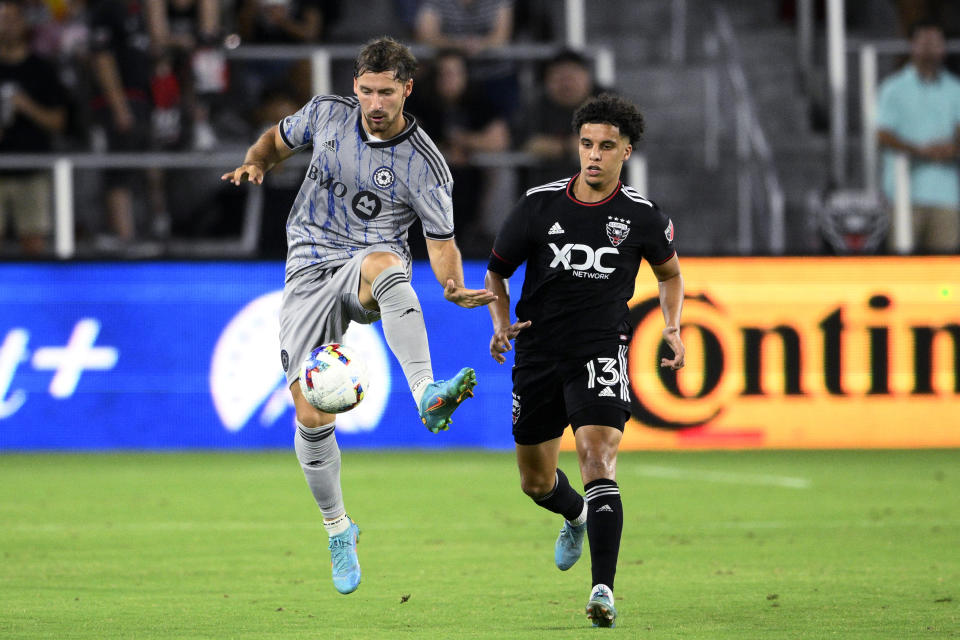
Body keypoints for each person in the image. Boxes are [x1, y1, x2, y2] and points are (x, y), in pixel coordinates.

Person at [221, 36, 496, 596]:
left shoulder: (426, 164)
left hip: (366, 265)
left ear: (407, 90)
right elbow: (277, 140)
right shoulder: (326, 114)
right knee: (312, 414)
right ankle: (339, 529)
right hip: (307, 268)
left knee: (387, 266)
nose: (375, 102)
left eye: (386, 93)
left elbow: (440, 240)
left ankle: (425, 391)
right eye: (367, 90)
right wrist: (254, 161)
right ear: (355, 86)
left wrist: (451, 284)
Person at [484, 93, 685, 628]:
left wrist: (671, 326)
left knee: (597, 458)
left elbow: (670, 275)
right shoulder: (539, 205)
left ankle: (603, 589)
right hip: (539, 352)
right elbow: (497, 272)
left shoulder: (642, 216)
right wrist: (500, 323)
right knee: (535, 482)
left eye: (606, 147)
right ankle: (573, 514)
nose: (593, 155)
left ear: (627, 152)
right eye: (586, 144)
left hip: (601, 348)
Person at [405, 47, 511, 256]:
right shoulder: (418, 100)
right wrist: (444, 155)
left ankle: (491, 236)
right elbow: (407, 139)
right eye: (443, 73)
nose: (449, 79)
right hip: (427, 180)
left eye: (454, 73)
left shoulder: (479, 99)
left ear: (465, 76)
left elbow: (499, 141)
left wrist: (462, 141)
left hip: (472, 175)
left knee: (503, 170)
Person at [877, 19, 960, 253]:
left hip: (946, 195)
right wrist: (919, 151)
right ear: (912, 45)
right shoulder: (893, 88)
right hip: (903, 194)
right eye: (923, 42)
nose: (929, 48)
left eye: (935, 42)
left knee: (943, 275)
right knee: (903, 270)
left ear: (944, 47)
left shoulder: (956, 89)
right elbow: (883, 133)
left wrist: (951, 149)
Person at [0, 0, 69, 255]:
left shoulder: (41, 70)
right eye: (2, 19)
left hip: (31, 170)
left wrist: (26, 105)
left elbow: (58, 122)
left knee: (34, 246)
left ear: (24, 24)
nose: (7, 25)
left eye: (12, 19)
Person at [517, 48, 607, 187]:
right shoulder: (537, 106)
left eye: (572, 77)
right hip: (549, 192)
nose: (566, 84)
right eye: (559, 78)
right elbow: (525, 142)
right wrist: (567, 147)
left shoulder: (607, 103)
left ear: (587, 77)